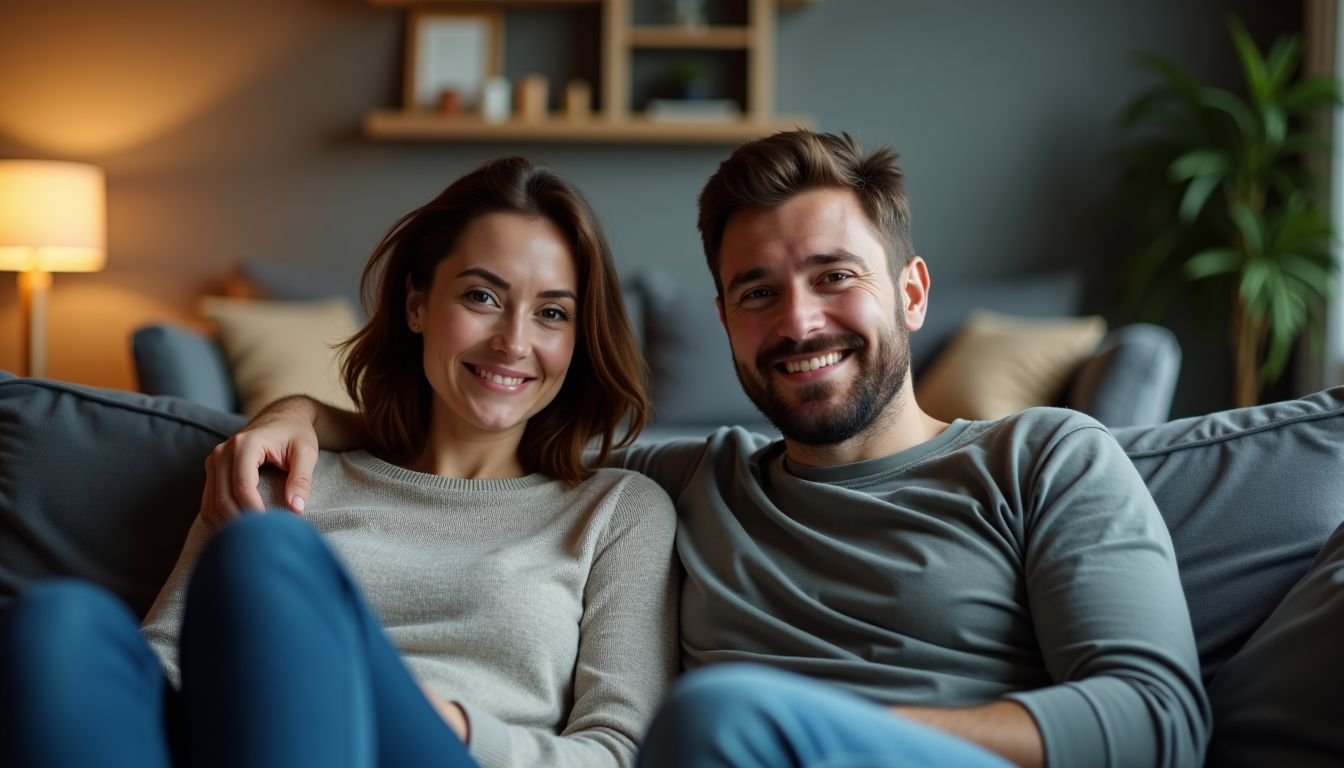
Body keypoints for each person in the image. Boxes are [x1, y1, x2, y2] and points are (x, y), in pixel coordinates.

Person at [195, 131, 1210, 768]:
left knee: (724, 718)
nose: (800, 320)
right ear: (724, 320)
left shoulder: (1044, 459)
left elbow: (1159, 717)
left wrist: (814, 736)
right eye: (758, 293)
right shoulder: (682, 483)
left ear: (910, 292)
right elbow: (483, 436)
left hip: (770, 746)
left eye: (833, 277)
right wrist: (303, 416)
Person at [0, 157, 679, 768]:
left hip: (456, 755)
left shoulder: (616, 510)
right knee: (61, 623)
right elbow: (168, 662)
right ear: (417, 304)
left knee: (264, 553)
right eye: (481, 297)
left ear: (579, 338)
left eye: (552, 314)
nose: (513, 342)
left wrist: (448, 722)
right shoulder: (291, 470)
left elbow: (619, 752)